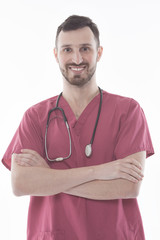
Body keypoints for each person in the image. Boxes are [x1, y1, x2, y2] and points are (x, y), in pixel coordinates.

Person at [2, 15, 154, 240]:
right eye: (67, 50)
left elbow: (128, 187)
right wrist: (99, 171)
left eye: (85, 48)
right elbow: (21, 184)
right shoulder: (35, 117)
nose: (76, 58)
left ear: (99, 53)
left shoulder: (128, 111)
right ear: (56, 55)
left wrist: (48, 177)